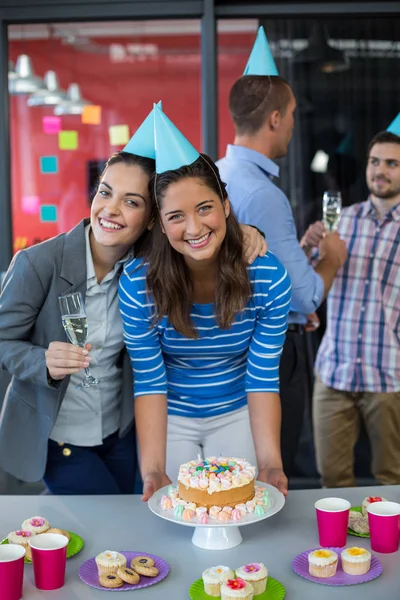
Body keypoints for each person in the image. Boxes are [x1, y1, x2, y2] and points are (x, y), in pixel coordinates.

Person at [0, 107, 267, 495]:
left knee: (137, 524)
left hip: (125, 434)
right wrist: (40, 361)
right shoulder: (38, 263)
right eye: (105, 192)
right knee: (104, 527)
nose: (110, 209)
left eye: (131, 201)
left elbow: (198, 229)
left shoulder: (150, 265)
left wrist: (244, 231)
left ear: (151, 219)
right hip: (60, 436)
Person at [119, 105, 291, 502]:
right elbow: (149, 380)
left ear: (225, 206)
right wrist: (153, 469)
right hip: (170, 416)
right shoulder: (138, 285)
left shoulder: (267, 278)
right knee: (174, 513)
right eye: (176, 216)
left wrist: (271, 462)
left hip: (236, 411)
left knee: (236, 511)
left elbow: (262, 376)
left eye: (204, 208)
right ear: (160, 224)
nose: (194, 228)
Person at [217, 73, 348, 477]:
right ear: (274, 118)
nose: (294, 123)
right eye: (291, 114)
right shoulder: (263, 195)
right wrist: (332, 258)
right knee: (270, 477)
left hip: (224, 352)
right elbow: (305, 296)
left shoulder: (218, 175)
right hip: (269, 357)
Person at [302, 129, 400, 487]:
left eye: (392, 163)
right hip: (334, 372)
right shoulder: (339, 221)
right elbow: (303, 286)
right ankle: (340, 547)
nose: (381, 170)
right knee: (332, 480)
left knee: (393, 480)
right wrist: (305, 244)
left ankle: (389, 546)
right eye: (376, 162)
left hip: (390, 375)